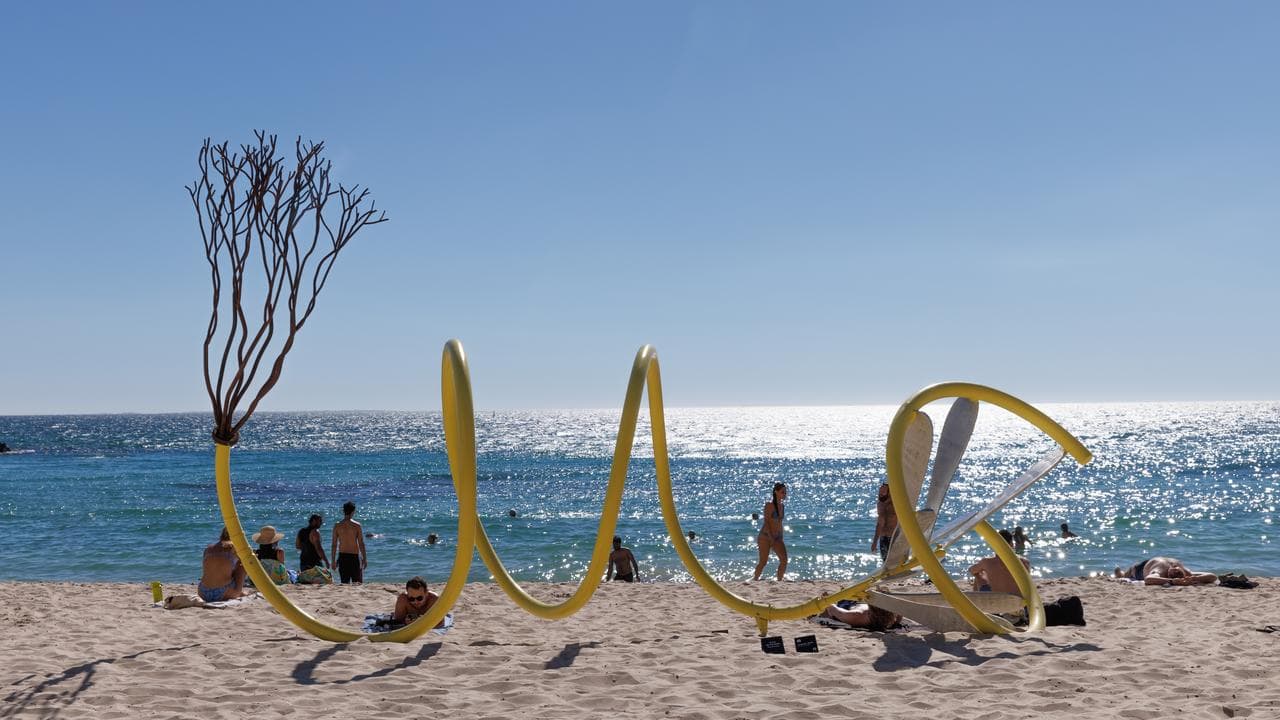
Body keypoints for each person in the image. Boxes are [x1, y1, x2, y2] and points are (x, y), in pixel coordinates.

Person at [198, 528, 247, 602]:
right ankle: (238, 591)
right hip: (224, 592)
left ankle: (235, 592)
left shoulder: (208, 549)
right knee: (243, 566)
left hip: (203, 592)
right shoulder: (234, 548)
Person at [752, 482, 788, 581]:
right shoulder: (769, 505)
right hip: (765, 536)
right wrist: (771, 538)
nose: (784, 494)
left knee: (784, 560)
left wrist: (780, 538)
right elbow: (767, 522)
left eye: (785, 492)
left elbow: (779, 524)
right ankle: (755, 579)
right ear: (776, 492)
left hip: (777, 537)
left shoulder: (782, 507)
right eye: (782, 492)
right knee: (763, 562)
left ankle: (779, 581)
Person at [1113, 557, 1217, 586]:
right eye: (1177, 572)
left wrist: (1196, 578)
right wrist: (1172, 581)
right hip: (1139, 568)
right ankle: (1120, 574)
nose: (1175, 573)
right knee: (1126, 574)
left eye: (1173, 576)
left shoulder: (1184, 573)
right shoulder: (1162, 569)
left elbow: (1212, 577)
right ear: (1177, 567)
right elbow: (1148, 579)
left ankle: (1120, 573)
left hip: (1149, 566)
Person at [331, 501, 367, 584]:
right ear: (353, 511)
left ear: (343, 511)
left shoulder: (337, 525)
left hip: (342, 557)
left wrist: (333, 561)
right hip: (354, 557)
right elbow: (361, 543)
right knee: (357, 583)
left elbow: (334, 544)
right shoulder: (357, 525)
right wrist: (364, 558)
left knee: (344, 582)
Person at [816, 602, 901, 631]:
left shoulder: (857, 616)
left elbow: (831, 608)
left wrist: (826, 599)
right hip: (860, 602)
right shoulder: (894, 616)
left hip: (849, 604)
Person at [872, 482, 897, 561]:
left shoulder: (896, 504)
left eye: (883, 492)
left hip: (894, 537)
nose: (880, 494)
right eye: (880, 492)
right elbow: (880, 523)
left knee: (895, 562)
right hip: (883, 538)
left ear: (889, 493)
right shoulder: (880, 504)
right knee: (886, 562)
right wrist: (875, 541)